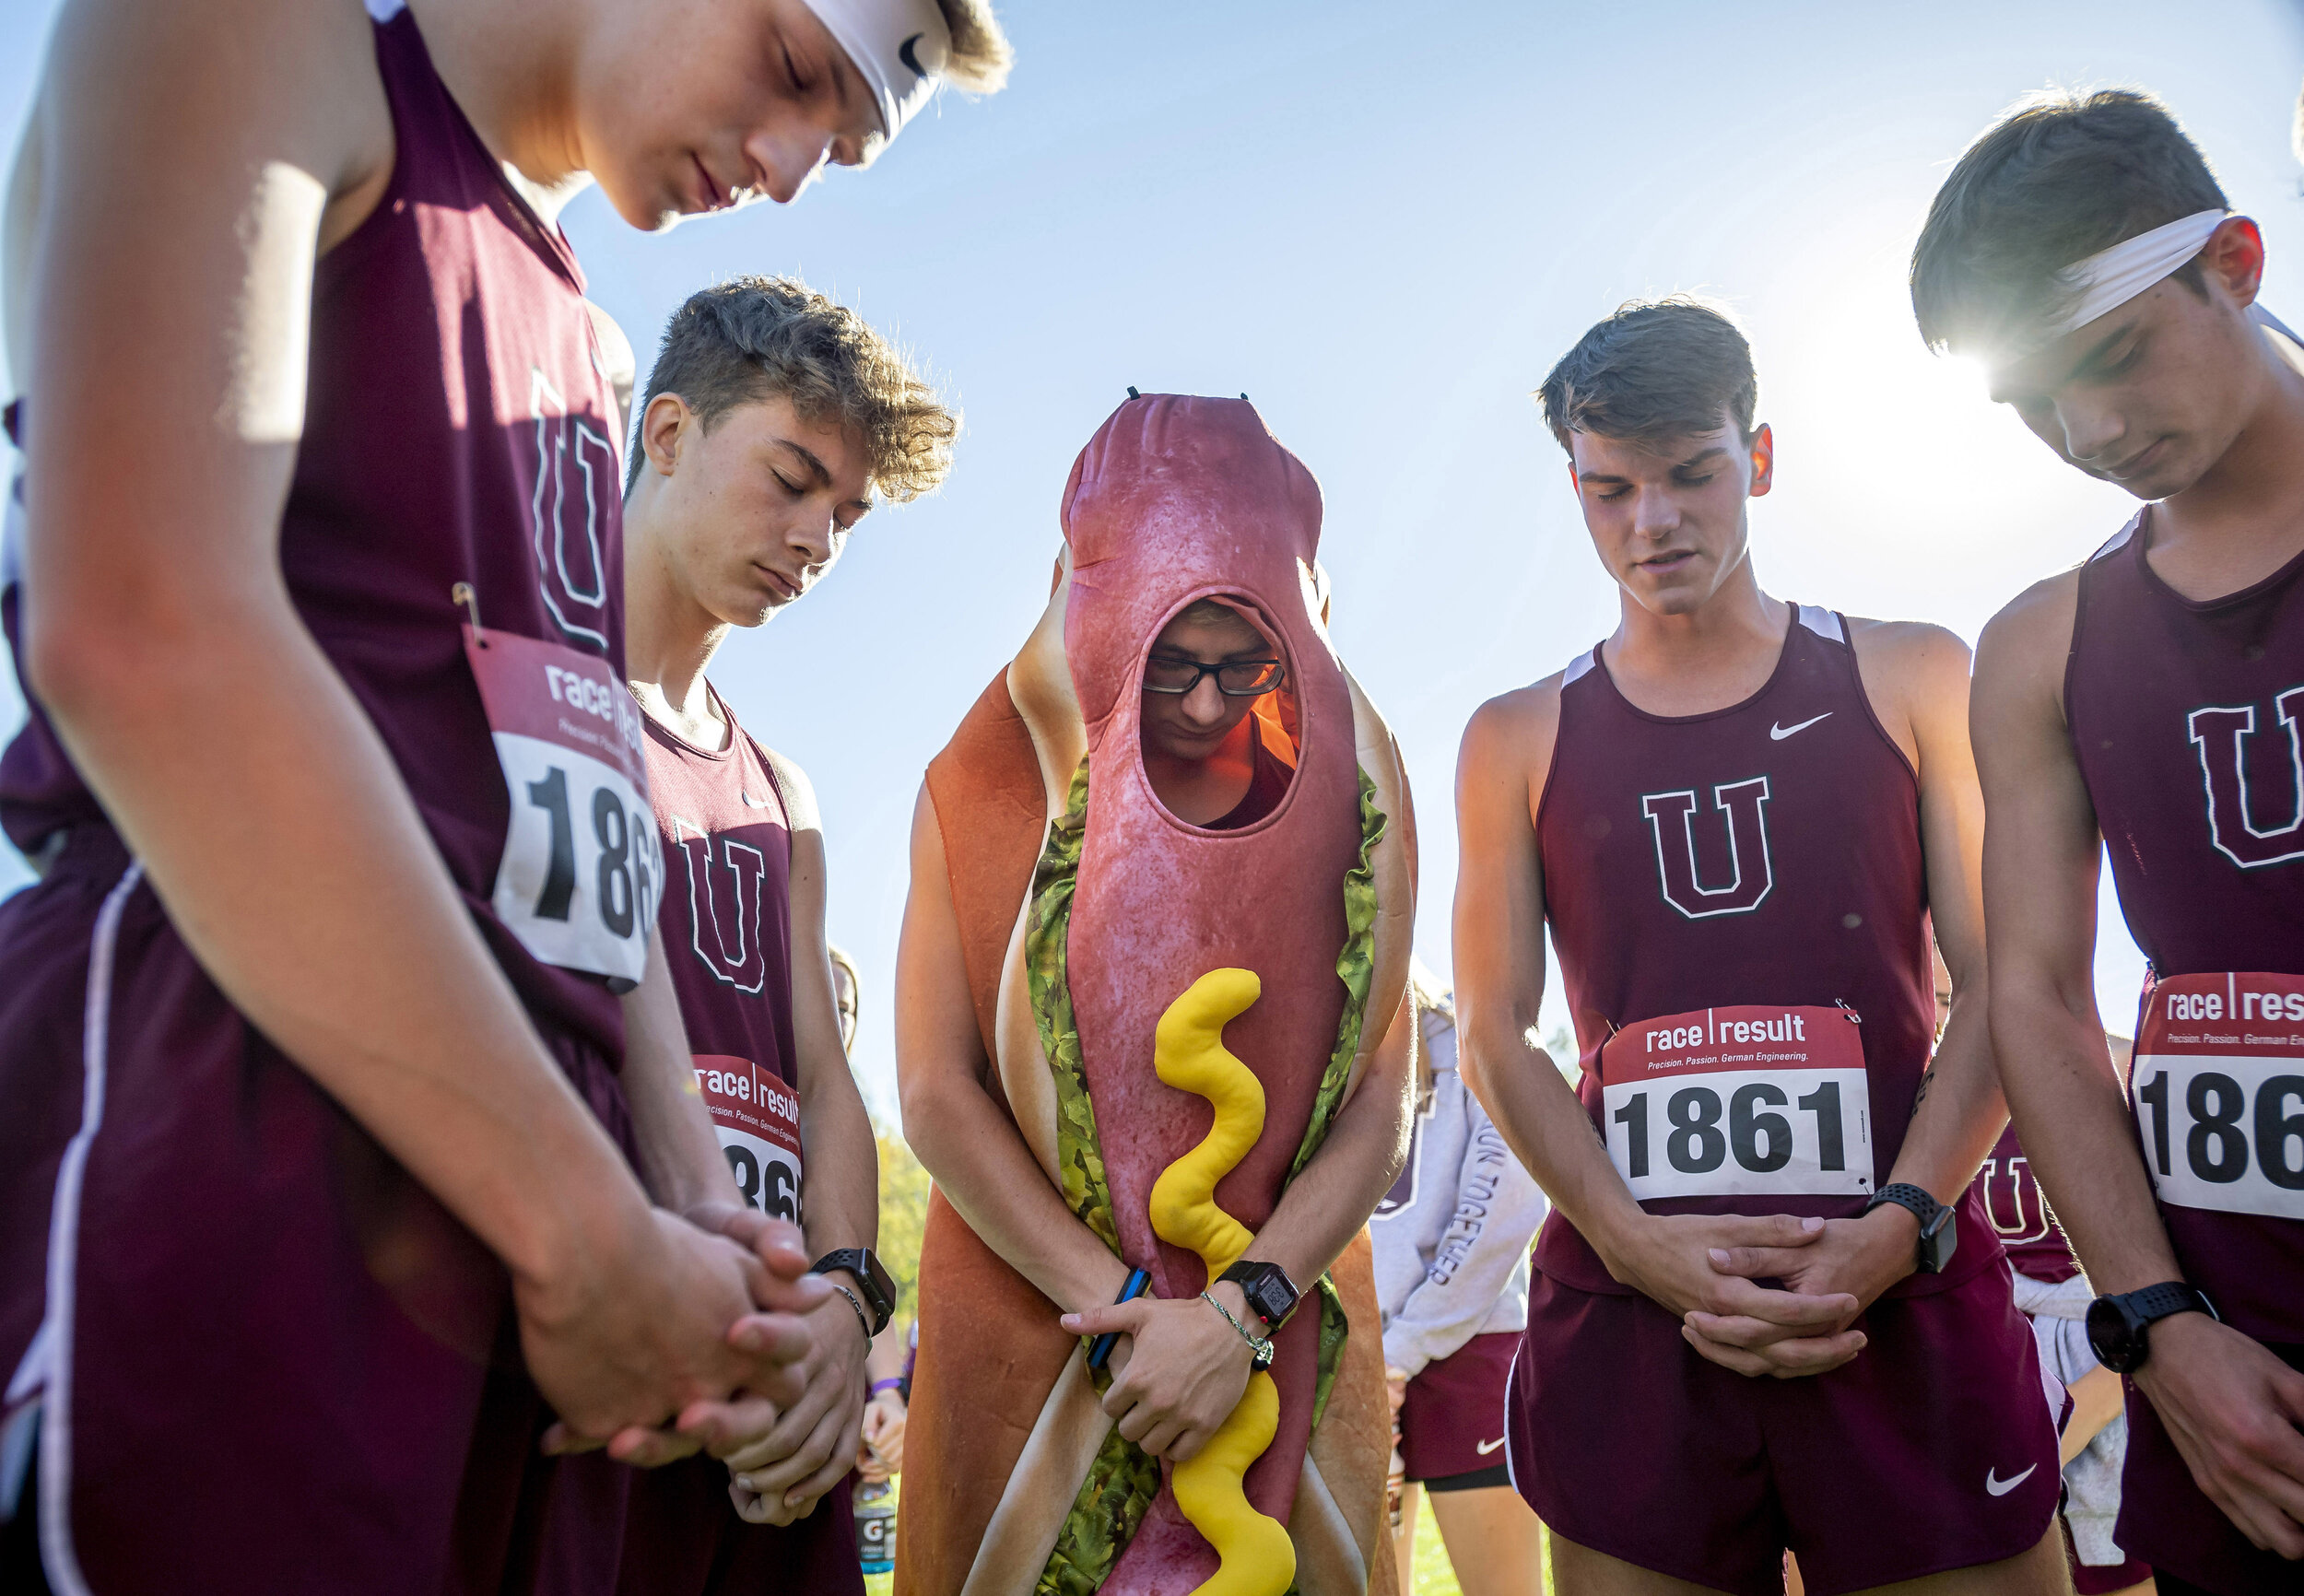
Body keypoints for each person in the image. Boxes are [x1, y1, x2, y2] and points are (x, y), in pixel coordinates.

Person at [0, 1, 1008, 1590]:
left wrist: (717, 1253)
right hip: (225, 1177)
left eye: (843, 138)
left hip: (520, 1301)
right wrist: (583, 1226)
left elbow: (583, 877)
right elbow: (145, 632)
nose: (796, 168)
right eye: (798, 72)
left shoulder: (583, 335)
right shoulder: (259, 38)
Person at [1453, 298, 2064, 1595]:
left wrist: (1901, 1220)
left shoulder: (1909, 675)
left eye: (1692, 475)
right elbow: (1496, 1035)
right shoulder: (1515, 736)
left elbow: (2006, 983)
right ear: (1573, 485)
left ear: (1764, 459)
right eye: (1610, 489)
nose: (1653, 522)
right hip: (1637, 1317)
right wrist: (1632, 1243)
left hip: (1895, 1302)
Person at [892, 393, 1417, 1594]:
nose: (1199, 706)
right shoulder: (980, 790)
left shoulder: (1362, 813)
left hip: (1277, 1337)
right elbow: (933, 1089)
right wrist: (1127, 1314)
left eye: (1241, 664)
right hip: (1044, 1338)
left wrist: (1239, 1314)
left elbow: (1381, 1097)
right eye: (1169, 662)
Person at [1912, 87, 2304, 1596]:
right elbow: (2035, 1002)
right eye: (2033, 402)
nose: (2086, 431)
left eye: (2117, 356)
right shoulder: (2043, 647)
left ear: (2238, 260)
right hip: (2232, 1395)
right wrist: (2159, 1324)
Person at [612, 276, 953, 1589]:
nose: (817, 539)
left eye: (848, 515)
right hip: (600, 1363)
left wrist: (847, 1308)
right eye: (793, 478)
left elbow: (821, 1080)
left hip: (774, 1409)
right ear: (670, 435)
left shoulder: (781, 791)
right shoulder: (523, 681)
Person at [1370, 961, 1547, 1596]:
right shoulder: (1312, 1042)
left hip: (1467, 1344)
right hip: (1358, 1357)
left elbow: (1506, 1206)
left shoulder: (1470, 1035)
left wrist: (1404, 1348)